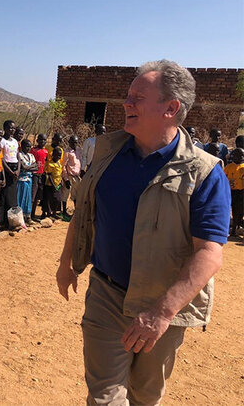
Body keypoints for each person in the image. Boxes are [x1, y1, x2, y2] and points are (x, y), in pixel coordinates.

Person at [56, 60, 230, 405]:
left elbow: (209, 252)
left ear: (171, 108)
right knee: (104, 396)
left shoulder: (204, 173)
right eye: (127, 96)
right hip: (106, 293)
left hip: (162, 303)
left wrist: (162, 313)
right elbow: (84, 211)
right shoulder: (109, 152)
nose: (126, 103)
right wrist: (66, 263)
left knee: (145, 396)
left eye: (138, 97)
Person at [0, 120, 19, 229]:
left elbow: (17, 155)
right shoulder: (2, 141)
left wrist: (18, 169)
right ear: (5, 128)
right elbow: (1, 159)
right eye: (10, 128)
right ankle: (2, 221)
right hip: (6, 170)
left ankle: (11, 221)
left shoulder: (15, 141)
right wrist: (10, 172)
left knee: (12, 197)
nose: (12, 130)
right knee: (4, 196)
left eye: (14, 128)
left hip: (15, 170)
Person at [61, 135, 82, 219]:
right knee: (65, 194)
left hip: (77, 176)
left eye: (76, 142)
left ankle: (76, 211)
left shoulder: (79, 151)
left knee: (76, 194)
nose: (74, 144)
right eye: (73, 142)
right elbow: (64, 166)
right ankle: (64, 212)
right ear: (69, 142)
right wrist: (66, 179)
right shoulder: (67, 152)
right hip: (69, 176)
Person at [224, 147, 244, 237]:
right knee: (229, 209)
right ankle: (229, 228)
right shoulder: (228, 167)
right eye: (238, 155)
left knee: (239, 210)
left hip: (241, 192)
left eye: (242, 155)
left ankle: (236, 228)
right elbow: (223, 179)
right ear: (233, 156)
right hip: (230, 192)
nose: (241, 157)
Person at [17, 139, 37, 224]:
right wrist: (30, 166)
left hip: (29, 179)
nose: (28, 148)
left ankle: (27, 217)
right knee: (21, 198)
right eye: (26, 146)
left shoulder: (31, 156)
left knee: (28, 199)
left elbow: (36, 167)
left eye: (29, 146)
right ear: (22, 146)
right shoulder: (19, 155)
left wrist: (28, 167)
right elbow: (23, 167)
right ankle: (20, 218)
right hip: (21, 180)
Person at [30, 133, 47, 221]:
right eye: (41, 140)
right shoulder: (33, 150)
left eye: (44, 140)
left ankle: (34, 215)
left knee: (38, 196)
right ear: (37, 140)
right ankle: (29, 215)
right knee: (32, 196)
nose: (42, 142)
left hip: (42, 175)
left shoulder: (46, 151)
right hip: (34, 175)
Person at [43, 146, 63, 219]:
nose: (59, 157)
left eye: (60, 155)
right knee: (49, 199)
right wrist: (53, 184)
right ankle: (48, 214)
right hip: (50, 184)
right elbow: (49, 175)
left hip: (58, 184)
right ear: (53, 155)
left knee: (58, 199)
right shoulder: (50, 164)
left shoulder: (58, 163)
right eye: (57, 155)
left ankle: (54, 213)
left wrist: (61, 182)